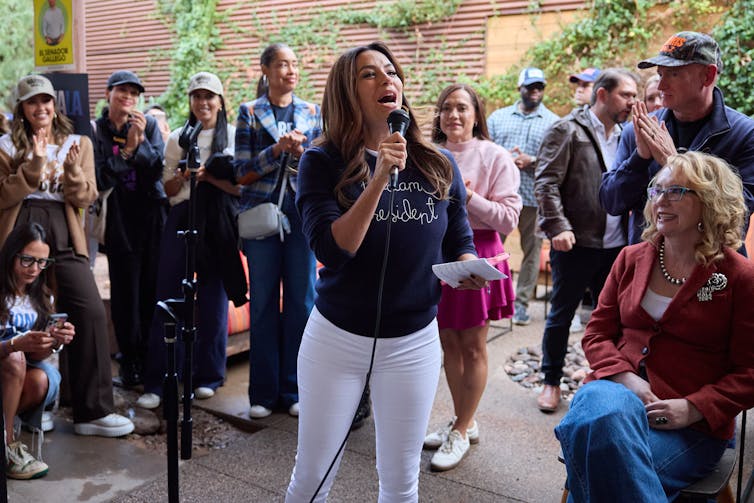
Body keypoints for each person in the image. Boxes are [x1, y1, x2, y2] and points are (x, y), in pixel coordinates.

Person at [285, 42, 484, 502]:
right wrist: (376, 179)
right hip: (336, 341)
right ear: (347, 92)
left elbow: (459, 236)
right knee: (312, 476)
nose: (386, 80)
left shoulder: (438, 162)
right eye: (369, 74)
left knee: (400, 482)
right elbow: (333, 251)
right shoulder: (321, 161)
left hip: (412, 344)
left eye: (391, 71)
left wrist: (464, 266)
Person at [556, 151, 754, 501]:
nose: (660, 201)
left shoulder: (739, 277)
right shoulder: (630, 258)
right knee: (602, 408)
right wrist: (624, 377)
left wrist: (693, 407)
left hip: (690, 428)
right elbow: (598, 333)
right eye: (656, 190)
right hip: (614, 392)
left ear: (709, 201)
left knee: (596, 450)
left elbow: (749, 371)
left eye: (675, 192)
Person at [0, 74, 133, 437]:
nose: (40, 108)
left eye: (45, 101)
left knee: (87, 310)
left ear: (54, 105)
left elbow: (86, 197)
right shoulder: (5, 145)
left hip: (63, 227)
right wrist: (32, 167)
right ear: (22, 109)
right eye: (32, 102)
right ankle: (36, 405)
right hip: (19, 230)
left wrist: (72, 171)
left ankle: (91, 411)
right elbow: (2, 196)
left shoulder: (78, 143)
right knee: (27, 309)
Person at [423, 83, 521, 471]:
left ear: (477, 114)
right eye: (446, 108)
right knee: (447, 343)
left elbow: (509, 219)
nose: (453, 116)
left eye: (462, 108)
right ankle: (464, 418)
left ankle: (461, 429)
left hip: (478, 253)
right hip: (437, 254)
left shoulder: (495, 156)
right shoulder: (428, 155)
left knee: (474, 346)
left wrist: (468, 197)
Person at [136, 72, 246, 409]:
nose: (203, 103)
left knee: (213, 298)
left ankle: (209, 376)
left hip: (218, 221)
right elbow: (167, 191)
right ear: (190, 101)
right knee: (168, 294)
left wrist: (210, 175)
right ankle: (159, 378)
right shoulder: (179, 138)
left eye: (209, 96)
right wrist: (185, 174)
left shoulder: (234, 137)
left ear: (220, 100)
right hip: (182, 216)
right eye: (197, 96)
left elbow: (242, 187)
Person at [533, 69, 639, 413]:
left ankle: (601, 378)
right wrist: (558, 226)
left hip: (616, 246)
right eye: (627, 95)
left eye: (635, 95)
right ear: (603, 94)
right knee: (562, 314)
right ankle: (550, 380)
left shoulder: (627, 134)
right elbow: (546, 181)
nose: (633, 103)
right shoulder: (567, 130)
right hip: (575, 242)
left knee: (612, 320)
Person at [600, 31, 754, 245]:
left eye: (673, 74)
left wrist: (675, 165)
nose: (661, 86)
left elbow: (735, 218)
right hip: (649, 267)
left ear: (708, 76)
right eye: (660, 74)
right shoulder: (641, 128)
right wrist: (639, 159)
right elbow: (611, 202)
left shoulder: (745, 134)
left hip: (713, 267)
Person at [235, 43, 320, 419]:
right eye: (282, 64)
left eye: (295, 64)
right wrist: (276, 151)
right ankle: (263, 394)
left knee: (303, 301)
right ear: (266, 70)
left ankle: (295, 388)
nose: (290, 70)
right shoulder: (249, 112)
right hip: (263, 217)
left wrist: (303, 154)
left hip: (303, 218)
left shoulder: (312, 112)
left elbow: (322, 166)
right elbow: (241, 172)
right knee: (265, 302)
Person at [92, 70, 167, 387]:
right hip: (119, 220)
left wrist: (138, 144)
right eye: (122, 91)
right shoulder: (97, 131)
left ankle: (151, 359)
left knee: (152, 290)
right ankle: (129, 361)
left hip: (150, 218)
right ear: (108, 94)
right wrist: (127, 150)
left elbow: (157, 171)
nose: (128, 98)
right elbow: (100, 177)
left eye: (134, 94)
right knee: (125, 296)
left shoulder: (147, 124)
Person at [0, 223, 75, 479]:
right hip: (6, 365)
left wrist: (53, 341)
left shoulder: (41, 294)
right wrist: (13, 345)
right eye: (27, 260)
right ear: (11, 255)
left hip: (16, 374)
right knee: (14, 358)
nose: (35, 269)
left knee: (42, 378)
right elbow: (17, 353)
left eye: (42, 262)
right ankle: (8, 443)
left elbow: (36, 358)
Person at [487, 67, 559, 326]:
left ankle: (521, 305)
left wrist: (534, 160)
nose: (536, 91)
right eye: (531, 87)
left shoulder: (553, 122)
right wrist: (504, 157)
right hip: (500, 196)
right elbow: (486, 150)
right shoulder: (498, 117)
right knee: (491, 246)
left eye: (540, 87)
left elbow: (557, 160)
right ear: (520, 88)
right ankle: (488, 298)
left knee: (532, 251)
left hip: (533, 196)